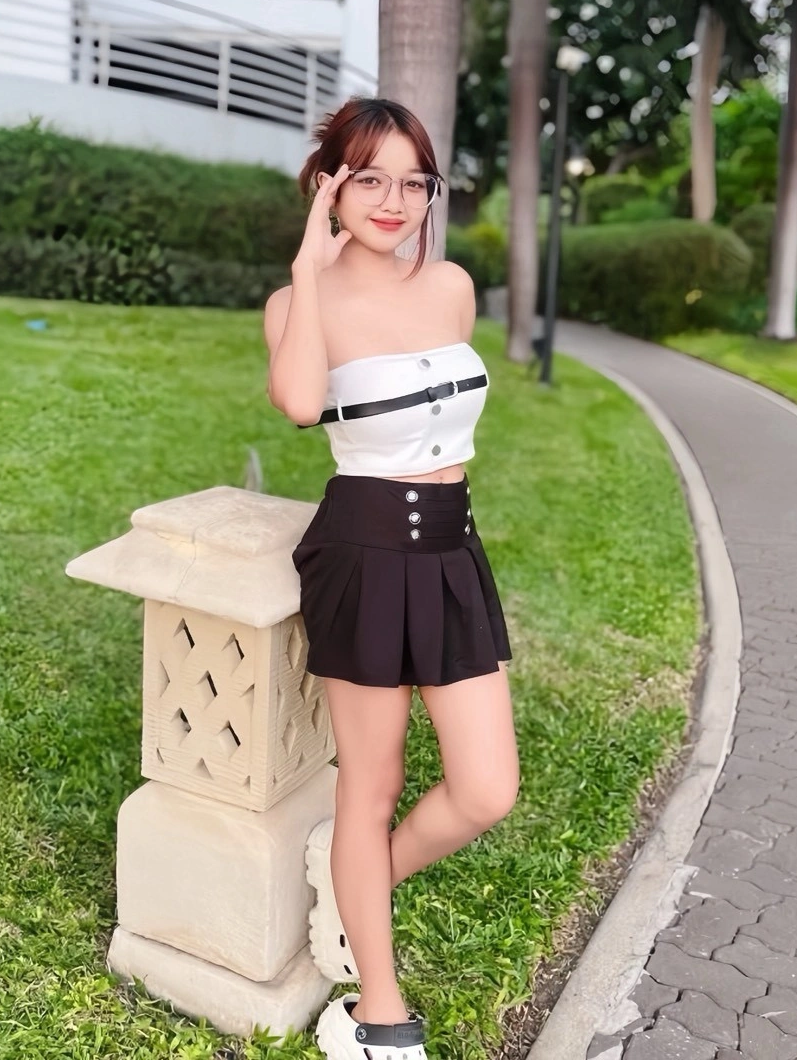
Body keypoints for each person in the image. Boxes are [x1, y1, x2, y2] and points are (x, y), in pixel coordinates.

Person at [262, 96, 520, 1060]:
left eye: (414, 182)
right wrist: (307, 272)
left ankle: (354, 884)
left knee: (486, 789)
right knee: (373, 787)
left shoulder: (450, 286)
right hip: (363, 551)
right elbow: (299, 404)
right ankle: (377, 1013)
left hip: (452, 549)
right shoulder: (299, 302)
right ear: (327, 184)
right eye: (368, 177)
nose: (393, 200)